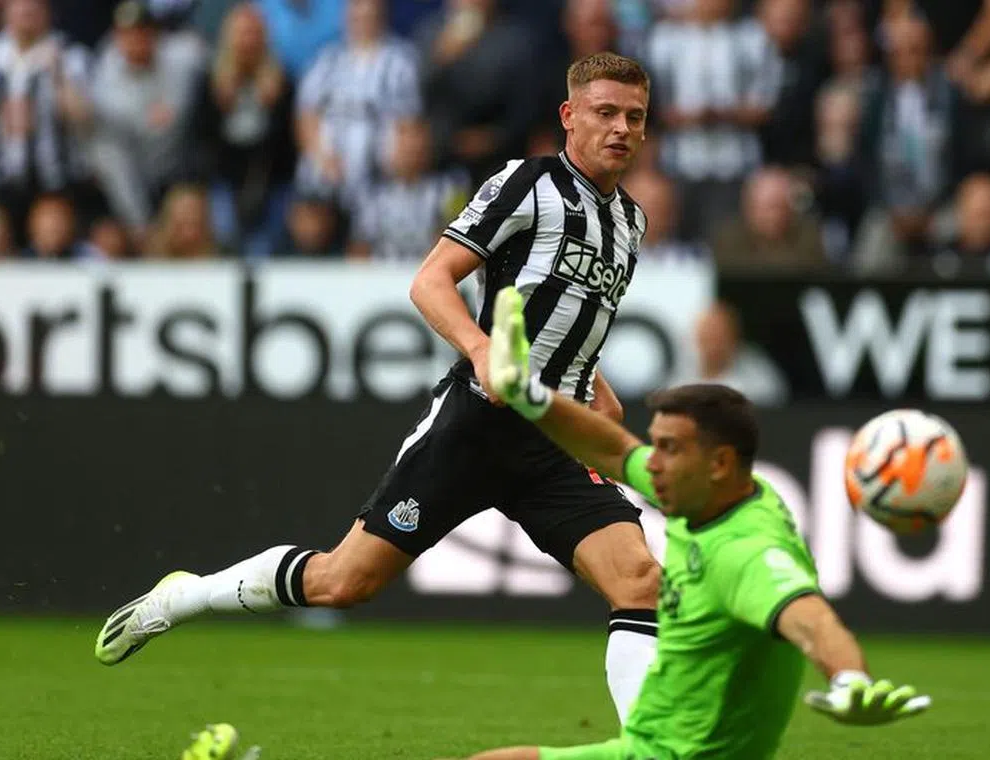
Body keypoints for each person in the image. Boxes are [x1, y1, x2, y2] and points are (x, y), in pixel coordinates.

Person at [95, 51, 662, 728]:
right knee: (342, 582)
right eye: (605, 112)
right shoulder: (527, 185)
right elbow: (430, 280)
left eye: (634, 116)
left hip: (555, 444)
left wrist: (597, 394)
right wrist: (482, 351)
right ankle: (188, 596)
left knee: (640, 582)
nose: (621, 128)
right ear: (569, 117)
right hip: (476, 425)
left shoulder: (631, 223)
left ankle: (650, 746)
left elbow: (564, 320)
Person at [436, 286, 931, 760]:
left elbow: (810, 618)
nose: (652, 462)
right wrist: (526, 393)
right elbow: (612, 447)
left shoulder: (745, 551)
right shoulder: (712, 496)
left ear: (717, 463)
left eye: (669, 450)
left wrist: (849, 679)